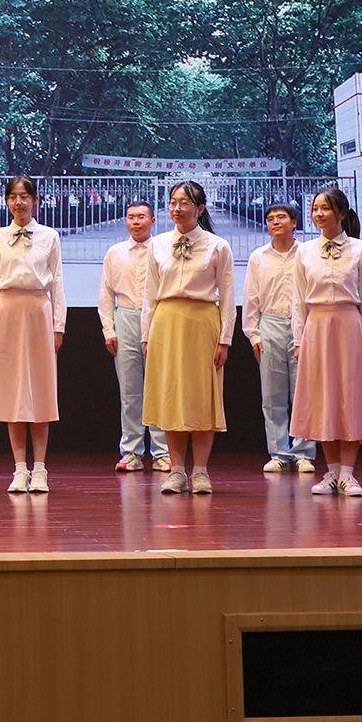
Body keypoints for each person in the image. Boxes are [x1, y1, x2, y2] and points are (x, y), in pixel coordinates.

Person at [141, 181, 236, 495]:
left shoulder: (217, 246)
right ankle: (177, 470)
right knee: (172, 396)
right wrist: (146, 335)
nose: (177, 208)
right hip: (166, 323)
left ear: (200, 208)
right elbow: (149, 294)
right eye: (173, 202)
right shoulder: (157, 244)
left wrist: (225, 339)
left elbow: (228, 295)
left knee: (201, 397)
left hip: (202, 322)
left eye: (184, 203)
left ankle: (201, 471)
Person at [291, 188, 362, 497]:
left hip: (348, 326)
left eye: (325, 208)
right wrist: (299, 340)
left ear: (341, 213)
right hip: (317, 327)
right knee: (323, 399)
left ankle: (348, 474)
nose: (318, 214)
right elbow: (298, 301)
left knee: (349, 397)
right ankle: (330, 471)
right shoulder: (304, 251)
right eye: (315, 208)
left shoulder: (360, 249)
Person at [0, 176, 65, 494]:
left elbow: (58, 282)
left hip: (39, 311)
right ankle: (19, 469)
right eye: (13, 196)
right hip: (7, 312)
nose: (19, 202)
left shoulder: (49, 236)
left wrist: (59, 325)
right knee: (11, 392)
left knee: (40, 391)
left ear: (35, 200)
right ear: (7, 201)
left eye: (24, 196)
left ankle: (40, 469)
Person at [243, 203, 316, 474]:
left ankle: (304, 452)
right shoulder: (258, 257)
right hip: (270, 324)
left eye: (281, 217)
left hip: (303, 326)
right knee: (272, 395)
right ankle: (279, 453)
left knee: (304, 393)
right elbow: (251, 297)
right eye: (270, 218)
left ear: (294, 222)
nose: (275, 222)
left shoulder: (307, 254)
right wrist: (253, 334)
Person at [99, 200, 169, 473]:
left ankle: (162, 452)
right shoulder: (115, 253)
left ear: (153, 221)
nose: (136, 222)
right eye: (131, 217)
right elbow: (106, 294)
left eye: (141, 217)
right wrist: (109, 329)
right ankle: (131, 452)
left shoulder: (163, 251)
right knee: (130, 391)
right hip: (125, 317)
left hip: (157, 318)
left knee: (159, 388)